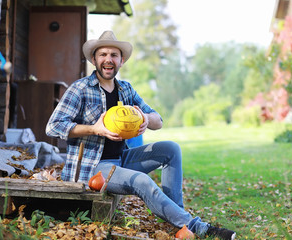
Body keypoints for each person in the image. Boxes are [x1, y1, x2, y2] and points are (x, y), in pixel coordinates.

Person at [46, 30, 236, 240]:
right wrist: (94, 129)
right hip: (95, 168)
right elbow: (53, 126)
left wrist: (145, 118)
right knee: (142, 181)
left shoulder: (125, 90)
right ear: (94, 59)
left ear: (122, 60)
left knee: (171, 149)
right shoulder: (80, 89)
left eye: (114, 55)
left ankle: (178, 219)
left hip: (121, 159)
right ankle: (197, 227)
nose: (108, 59)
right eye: (103, 55)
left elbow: (159, 120)